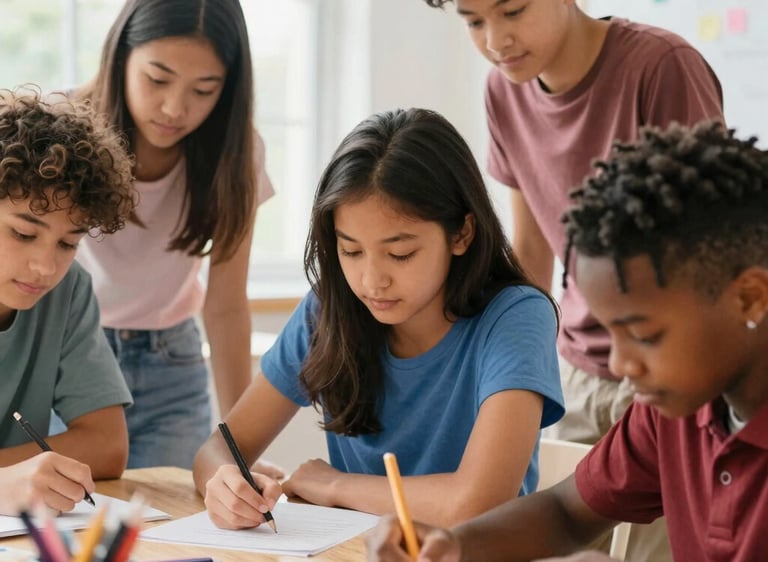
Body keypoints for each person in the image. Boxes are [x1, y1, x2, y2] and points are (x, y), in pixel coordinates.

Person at [365, 120, 768, 562]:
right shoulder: (672, 410)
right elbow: (565, 513)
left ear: (749, 299)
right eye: (609, 332)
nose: (619, 364)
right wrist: (454, 544)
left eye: (643, 334)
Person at [421, 1, 725, 558]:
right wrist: (507, 383)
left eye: (512, 9)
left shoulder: (661, 67)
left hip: (670, 372)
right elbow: (530, 256)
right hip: (576, 369)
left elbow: (711, 246)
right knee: (544, 533)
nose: (496, 40)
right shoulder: (502, 92)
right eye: (473, 20)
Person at [193, 107, 565, 529]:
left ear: (461, 233)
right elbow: (217, 450)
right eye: (351, 251)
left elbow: (477, 503)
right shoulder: (327, 309)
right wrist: (225, 484)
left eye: (400, 253)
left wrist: (335, 486)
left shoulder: (516, 316)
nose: (372, 281)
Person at [71, 0, 276, 470]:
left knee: (169, 531)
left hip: (173, 365)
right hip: (72, 355)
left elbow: (225, 305)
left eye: (204, 90)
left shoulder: (237, 153)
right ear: (121, 55)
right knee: (71, 526)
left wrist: (239, 446)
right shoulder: (65, 126)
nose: (174, 109)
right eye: (157, 79)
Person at [0, 88, 135, 515]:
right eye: (23, 234)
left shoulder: (68, 290)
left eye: (67, 243)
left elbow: (107, 444)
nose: (44, 267)